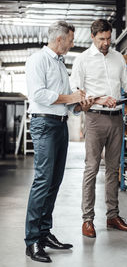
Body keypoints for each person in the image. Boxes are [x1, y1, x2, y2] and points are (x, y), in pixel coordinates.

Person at [70, 19, 127, 238]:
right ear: (93, 37)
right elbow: (77, 92)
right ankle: (87, 220)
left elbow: (126, 83)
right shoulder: (82, 60)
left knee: (114, 169)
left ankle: (112, 216)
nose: (106, 43)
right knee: (92, 169)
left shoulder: (117, 58)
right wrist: (100, 100)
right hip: (94, 118)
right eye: (102, 39)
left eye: (108, 38)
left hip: (117, 119)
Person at [25, 21, 93, 263]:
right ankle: (32, 241)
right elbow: (38, 95)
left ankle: (44, 233)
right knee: (43, 181)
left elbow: (66, 102)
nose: (72, 44)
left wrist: (79, 105)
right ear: (59, 39)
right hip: (44, 125)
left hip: (60, 124)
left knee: (54, 181)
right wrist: (70, 97)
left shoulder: (61, 64)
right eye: (71, 39)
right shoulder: (37, 60)